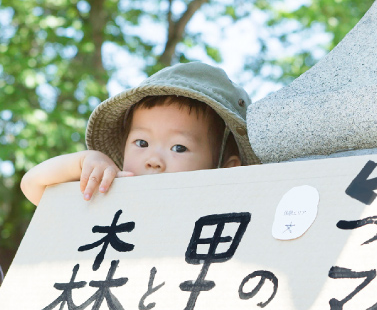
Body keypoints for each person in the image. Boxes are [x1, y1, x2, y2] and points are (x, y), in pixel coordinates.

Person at [21, 62, 259, 205]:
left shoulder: (225, 214)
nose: (153, 160)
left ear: (227, 169)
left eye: (178, 147)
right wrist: (84, 161)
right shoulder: (110, 194)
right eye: (141, 142)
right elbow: (33, 185)